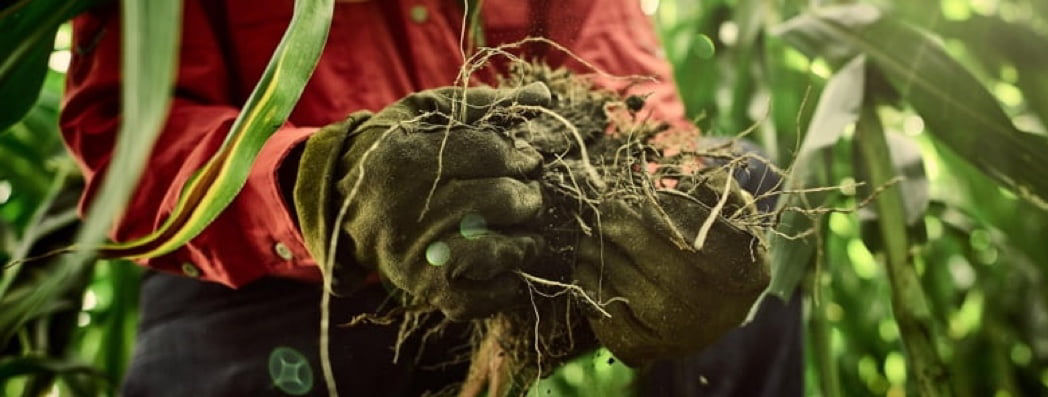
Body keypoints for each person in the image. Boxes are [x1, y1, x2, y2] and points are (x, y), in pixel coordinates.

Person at [60, 0, 801, 395]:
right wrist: (325, 181)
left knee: (736, 199)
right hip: (270, 287)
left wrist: (659, 221)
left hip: (509, 265)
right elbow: (131, 139)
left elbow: (638, 112)